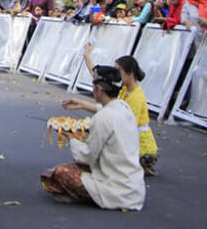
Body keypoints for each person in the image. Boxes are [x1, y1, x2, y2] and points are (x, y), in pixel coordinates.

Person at [41, 64, 145, 210]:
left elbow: (87, 156)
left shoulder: (102, 118)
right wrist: (81, 105)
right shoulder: (124, 107)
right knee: (72, 169)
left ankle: (87, 196)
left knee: (60, 172)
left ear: (99, 90)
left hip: (117, 190)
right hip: (134, 187)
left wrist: (72, 140)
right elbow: (105, 109)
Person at [62, 47, 159, 176]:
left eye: (118, 71)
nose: (115, 74)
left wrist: (75, 139)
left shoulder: (135, 97)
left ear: (130, 74)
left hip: (140, 149)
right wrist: (86, 55)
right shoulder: (123, 90)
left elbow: (124, 128)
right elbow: (99, 77)